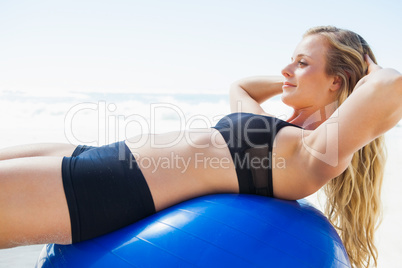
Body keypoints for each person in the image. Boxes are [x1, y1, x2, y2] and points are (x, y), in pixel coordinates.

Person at [0, 26, 401, 267]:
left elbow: (391, 87)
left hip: (103, 190)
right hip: (88, 155)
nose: (285, 70)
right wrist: (293, 81)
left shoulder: (316, 153)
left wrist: (369, 70)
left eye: (301, 62)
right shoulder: (277, 129)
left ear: (338, 79)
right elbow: (239, 86)